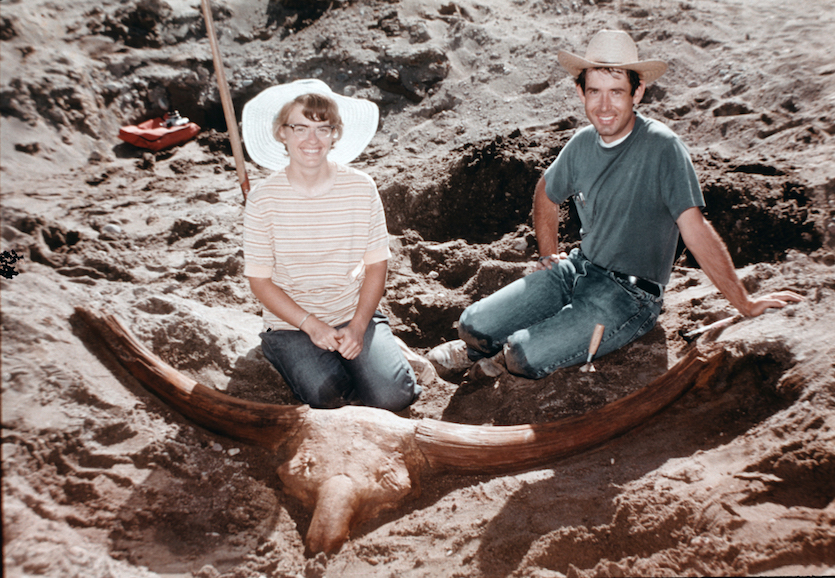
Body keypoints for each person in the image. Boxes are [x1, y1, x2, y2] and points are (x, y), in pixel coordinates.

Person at [427, 29, 803, 379]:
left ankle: (495, 360)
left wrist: (745, 303)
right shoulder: (581, 144)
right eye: (594, 91)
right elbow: (546, 191)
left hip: (630, 297)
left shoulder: (663, 147)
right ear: (581, 93)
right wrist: (548, 253)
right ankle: (479, 350)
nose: (604, 105)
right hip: (577, 270)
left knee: (523, 355)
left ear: (637, 94)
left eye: (617, 91)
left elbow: (695, 229)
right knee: (471, 323)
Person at [241, 79, 422, 410]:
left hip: (350, 312)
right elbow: (260, 281)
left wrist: (358, 325)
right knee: (328, 396)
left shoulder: (360, 187)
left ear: (334, 134)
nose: (312, 139)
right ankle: (290, 352)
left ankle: (377, 353)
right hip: (291, 324)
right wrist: (312, 325)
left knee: (393, 395)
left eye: (322, 128)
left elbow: (376, 264)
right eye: (300, 127)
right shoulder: (263, 198)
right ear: (282, 132)